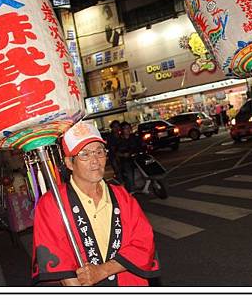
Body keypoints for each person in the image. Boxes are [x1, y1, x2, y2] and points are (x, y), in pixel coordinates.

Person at [31, 121, 160, 286]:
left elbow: (144, 241)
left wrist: (103, 270)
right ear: (69, 163)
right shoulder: (51, 204)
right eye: (84, 154)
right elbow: (58, 260)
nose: (95, 160)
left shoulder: (121, 195)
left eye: (100, 152)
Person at [115, 122, 142, 193]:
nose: (128, 130)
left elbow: (141, 144)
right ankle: (132, 189)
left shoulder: (134, 137)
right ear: (122, 130)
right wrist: (123, 154)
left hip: (137, 157)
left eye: (128, 128)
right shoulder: (119, 140)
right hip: (126, 160)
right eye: (125, 128)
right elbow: (117, 152)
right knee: (129, 171)